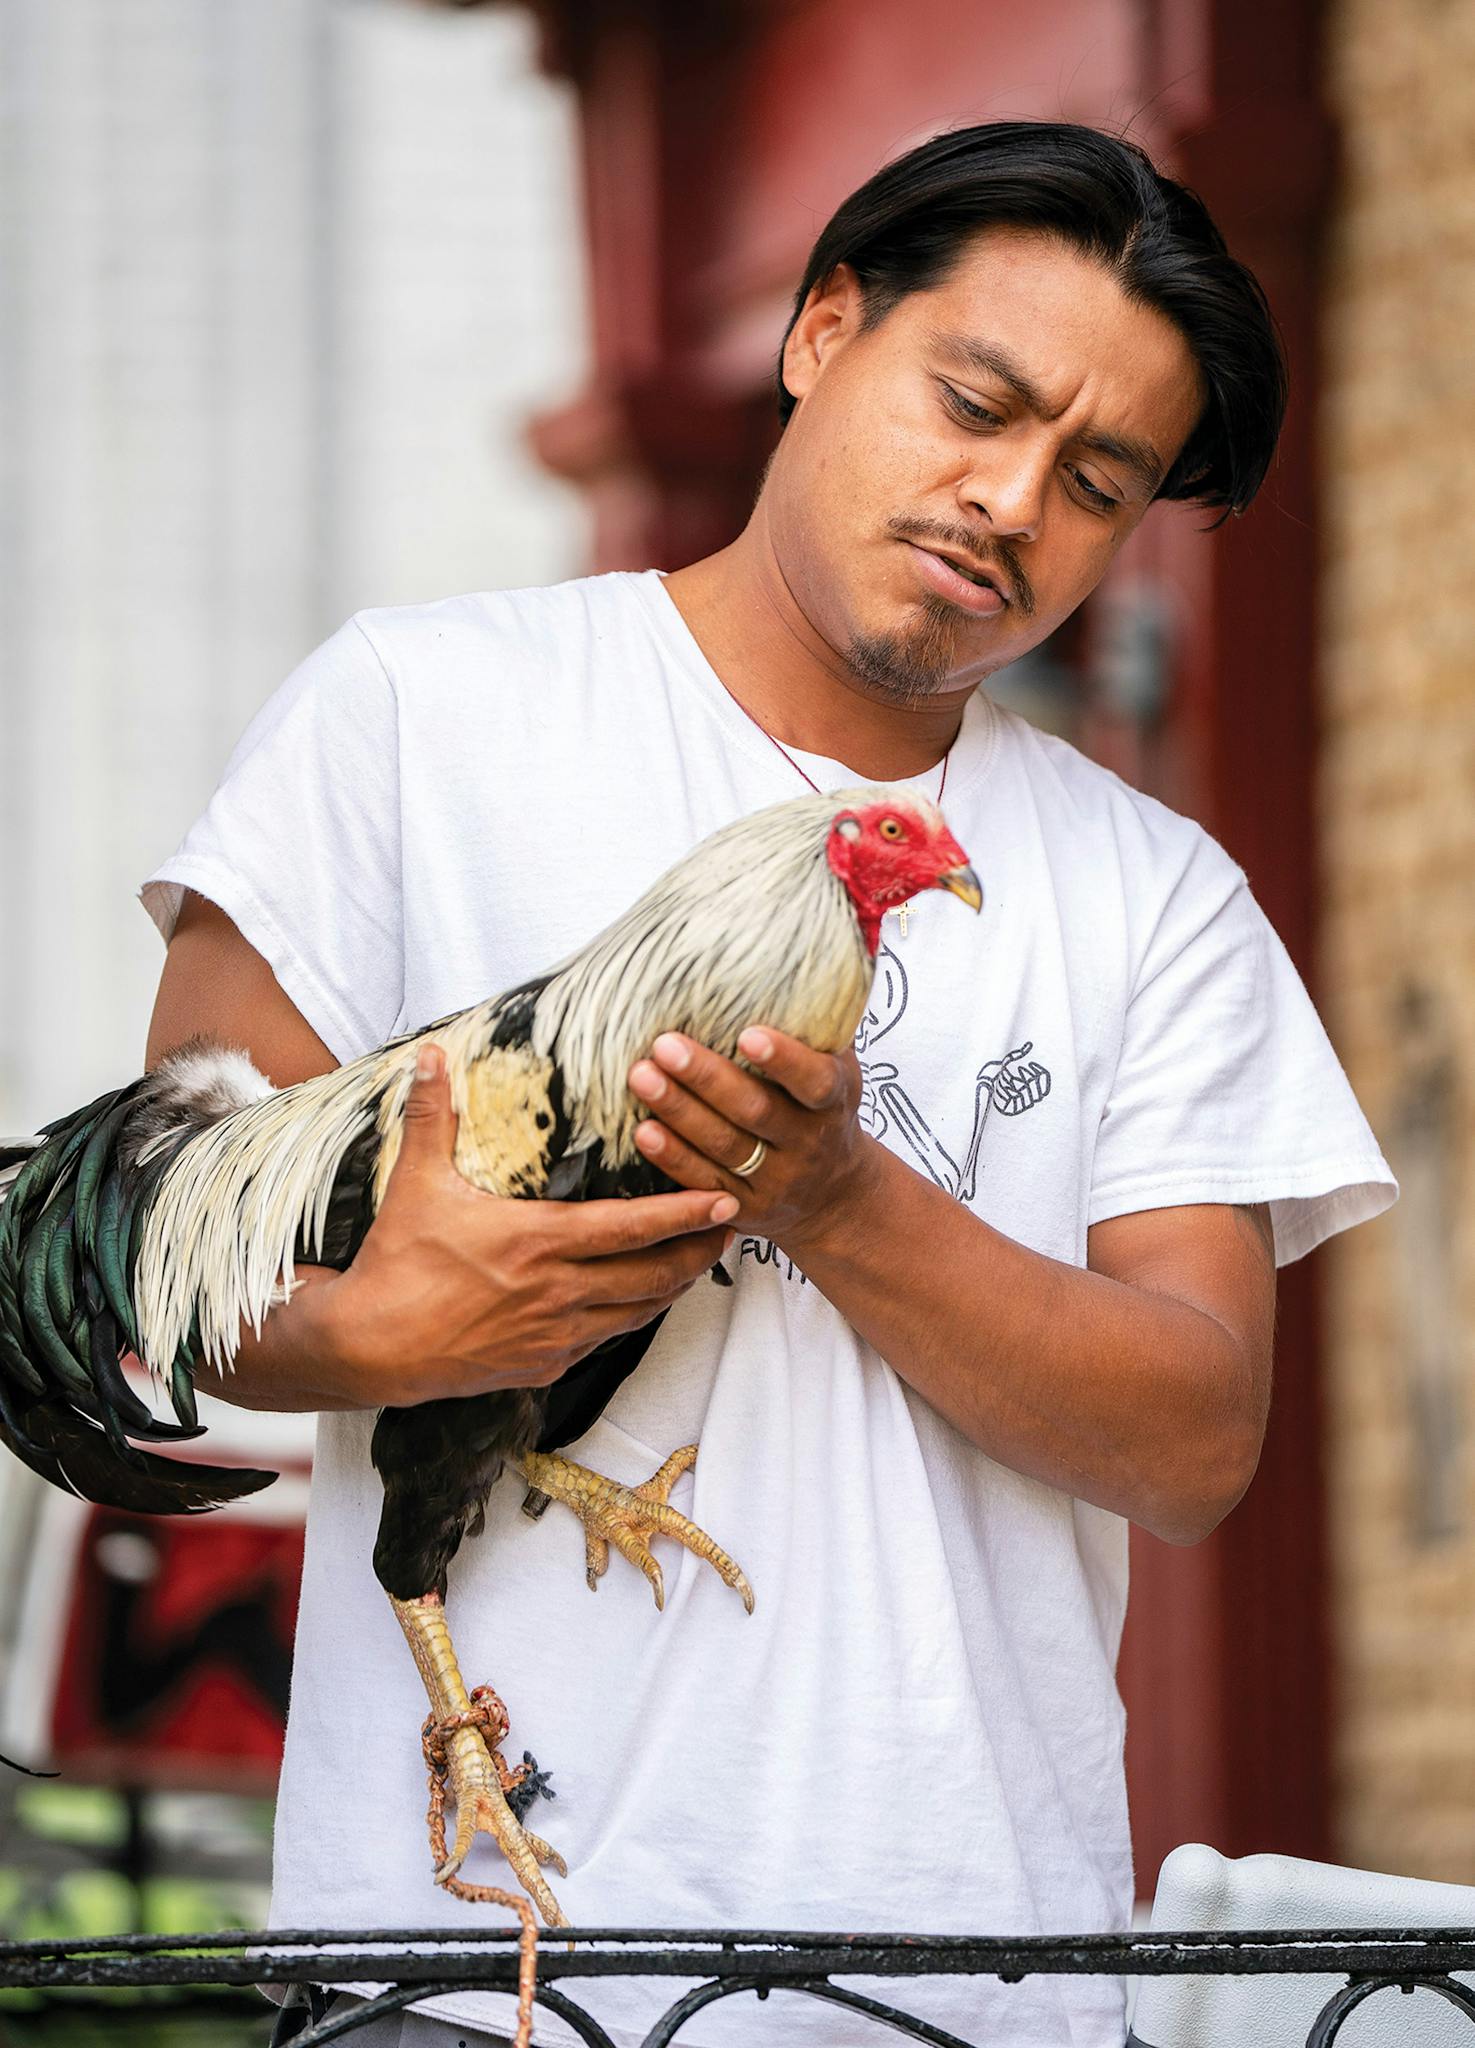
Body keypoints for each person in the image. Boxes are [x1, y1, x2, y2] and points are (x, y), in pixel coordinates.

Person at [142, 122, 1396, 2048]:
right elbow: (182, 1245)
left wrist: (833, 1196)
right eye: (973, 402)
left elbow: (1194, 1441)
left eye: (1097, 479)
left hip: (968, 1981)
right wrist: (413, 1317)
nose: (1008, 501)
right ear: (823, 329)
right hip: (478, 1967)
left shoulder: (1156, 896)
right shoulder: (420, 714)